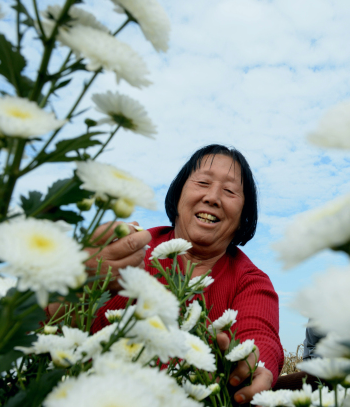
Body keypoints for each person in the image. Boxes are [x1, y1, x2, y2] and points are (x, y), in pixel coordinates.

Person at [86, 144, 283, 402]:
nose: (213, 197)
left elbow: (259, 334)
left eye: (229, 191)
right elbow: (49, 325)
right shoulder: (128, 251)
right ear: (178, 194)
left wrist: (253, 362)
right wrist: (81, 282)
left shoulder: (251, 282)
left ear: (244, 215)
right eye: (202, 182)